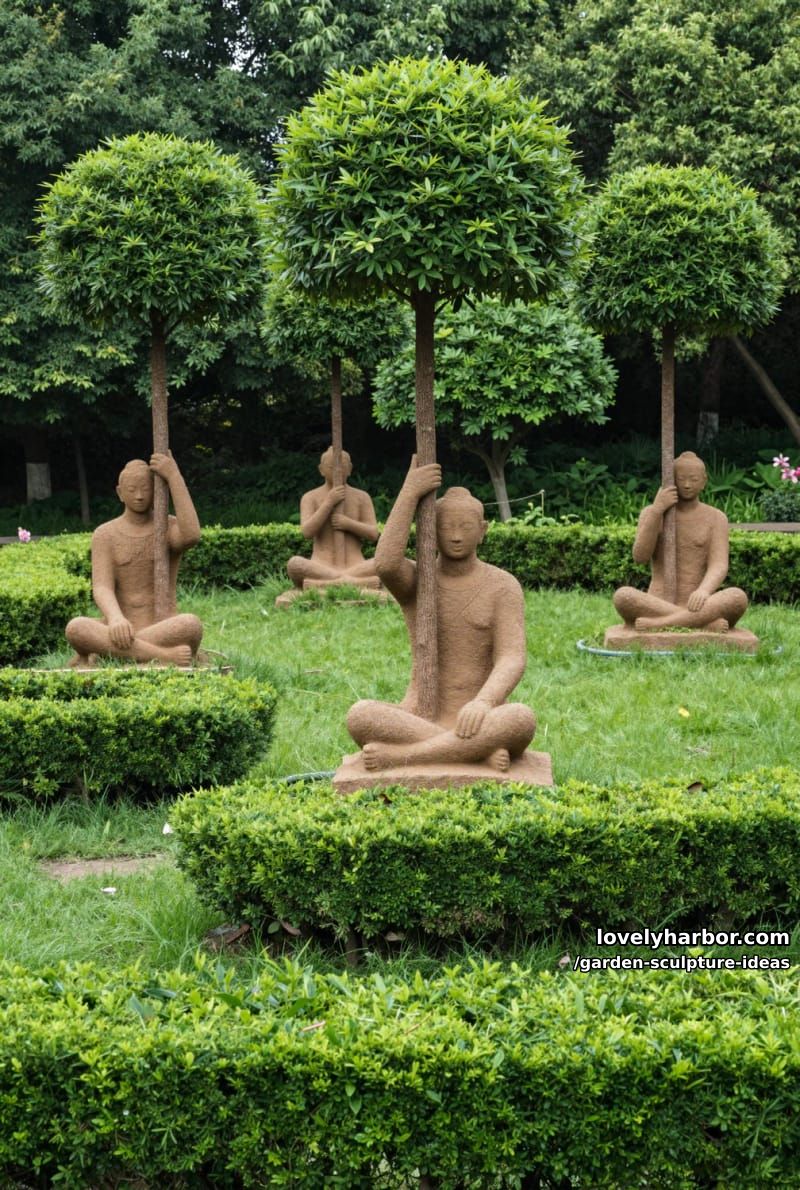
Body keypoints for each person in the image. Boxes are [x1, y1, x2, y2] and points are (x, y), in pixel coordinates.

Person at [346, 456, 536, 772]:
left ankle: (406, 757)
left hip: (481, 718)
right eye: (446, 527)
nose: (456, 535)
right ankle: (472, 752)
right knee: (360, 715)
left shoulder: (503, 586)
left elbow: (511, 657)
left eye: (465, 527)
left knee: (520, 719)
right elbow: (386, 564)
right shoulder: (419, 582)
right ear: (431, 531)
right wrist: (410, 492)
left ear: (483, 530)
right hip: (419, 718)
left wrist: (484, 702)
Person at [65, 452, 202, 666]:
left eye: (146, 489)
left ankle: (114, 653)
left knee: (191, 625)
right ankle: (163, 656)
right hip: (118, 628)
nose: (139, 496)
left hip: (160, 628)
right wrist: (115, 618)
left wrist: (173, 476)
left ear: (156, 491)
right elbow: (102, 587)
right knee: (76, 628)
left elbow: (192, 535)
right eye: (131, 490)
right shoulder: (105, 534)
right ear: (120, 493)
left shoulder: (166, 527)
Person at [613, 451, 747, 631]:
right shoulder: (652, 513)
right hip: (658, 602)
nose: (687, 485)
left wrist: (704, 591)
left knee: (737, 597)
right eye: (681, 478)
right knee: (623, 597)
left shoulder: (716, 518)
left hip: (699, 603)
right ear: (670, 480)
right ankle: (700, 623)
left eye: (693, 479)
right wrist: (657, 510)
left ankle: (661, 624)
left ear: (704, 481)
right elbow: (640, 557)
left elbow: (719, 565)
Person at [286, 447, 380, 588]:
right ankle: (353, 582)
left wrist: (348, 523)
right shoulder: (310, 497)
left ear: (350, 469)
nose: (338, 471)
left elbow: (373, 534)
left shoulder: (362, 497)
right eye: (331, 467)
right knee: (294, 564)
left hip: (356, 565)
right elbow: (307, 532)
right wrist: (329, 503)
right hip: (322, 566)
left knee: (386, 564)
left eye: (342, 467)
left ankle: (325, 583)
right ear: (321, 470)